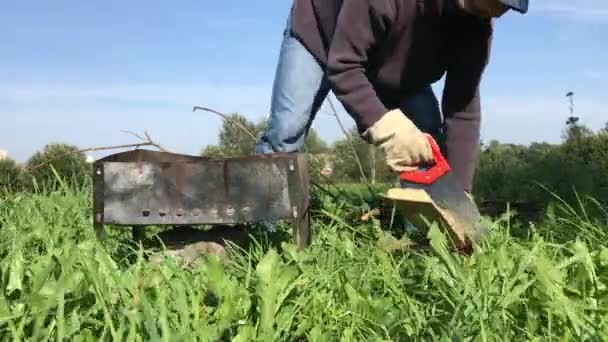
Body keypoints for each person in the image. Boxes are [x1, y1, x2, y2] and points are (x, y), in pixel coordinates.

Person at [256, 0, 528, 192]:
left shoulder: (477, 29)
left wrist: (460, 191)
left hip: (390, 61)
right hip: (320, 34)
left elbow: (463, 110)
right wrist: (385, 128)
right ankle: (263, 224)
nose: (504, 10)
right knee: (286, 130)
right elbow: (345, 66)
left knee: (426, 138)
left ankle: (428, 230)